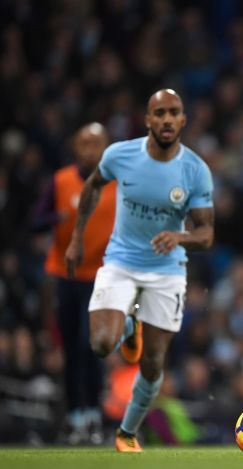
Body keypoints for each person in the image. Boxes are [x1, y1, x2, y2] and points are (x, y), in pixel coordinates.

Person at [65, 89, 214, 452]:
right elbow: (92, 187)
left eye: (173, 112)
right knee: (101, 345)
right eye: (159, 113)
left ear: (183, 120)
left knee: (152, 363)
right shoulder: (120, 154)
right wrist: (76, 238)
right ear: (147, 120)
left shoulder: (195, 170)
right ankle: (129, 326)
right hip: (120, 262)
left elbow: (206, 234)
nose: (166, 119)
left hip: (167, 272)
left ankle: (127, 433)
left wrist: (180, 237)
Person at [31, 123, 114, 444]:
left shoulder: (118, 183)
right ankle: (75, 416)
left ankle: (93, 413)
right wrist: (56, 219)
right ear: (75, 148)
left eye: (96, 144)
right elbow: (36, 221)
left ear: (106, 148)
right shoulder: (61, 181)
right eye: (84, 144)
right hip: (65, 276)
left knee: (91, 346)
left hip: (102, 278)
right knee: (71, 349)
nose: (90, 150)